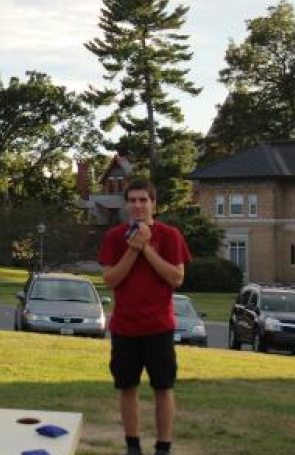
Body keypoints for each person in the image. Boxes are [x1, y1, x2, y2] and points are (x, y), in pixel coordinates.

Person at [98, 179, 192, 455]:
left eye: (144, 200)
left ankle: (164, 446)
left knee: (163, 387)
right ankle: (133, 445)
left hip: (159, 326)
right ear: (126, 204)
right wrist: (133, 248)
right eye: (133, 200)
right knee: (128, 387)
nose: (138, 205)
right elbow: (110, 280)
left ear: (154, 204)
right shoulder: (115, 237)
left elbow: (176, 278)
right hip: (125, 327)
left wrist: (148, 248)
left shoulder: (170, 235)